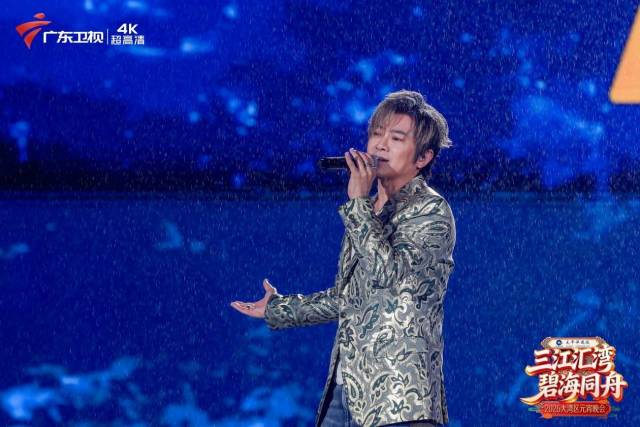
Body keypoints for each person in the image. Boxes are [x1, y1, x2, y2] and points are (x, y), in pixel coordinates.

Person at [230, 90, 456, 427]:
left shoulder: (430, 211)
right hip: (346, 389)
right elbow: (349, 298)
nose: (380, 145)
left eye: (396, 138)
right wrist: (278, 308)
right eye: (376, 134)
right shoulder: (368, 210)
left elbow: (388, 279)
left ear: (423, 157)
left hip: (399, 398)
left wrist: (357, 205)